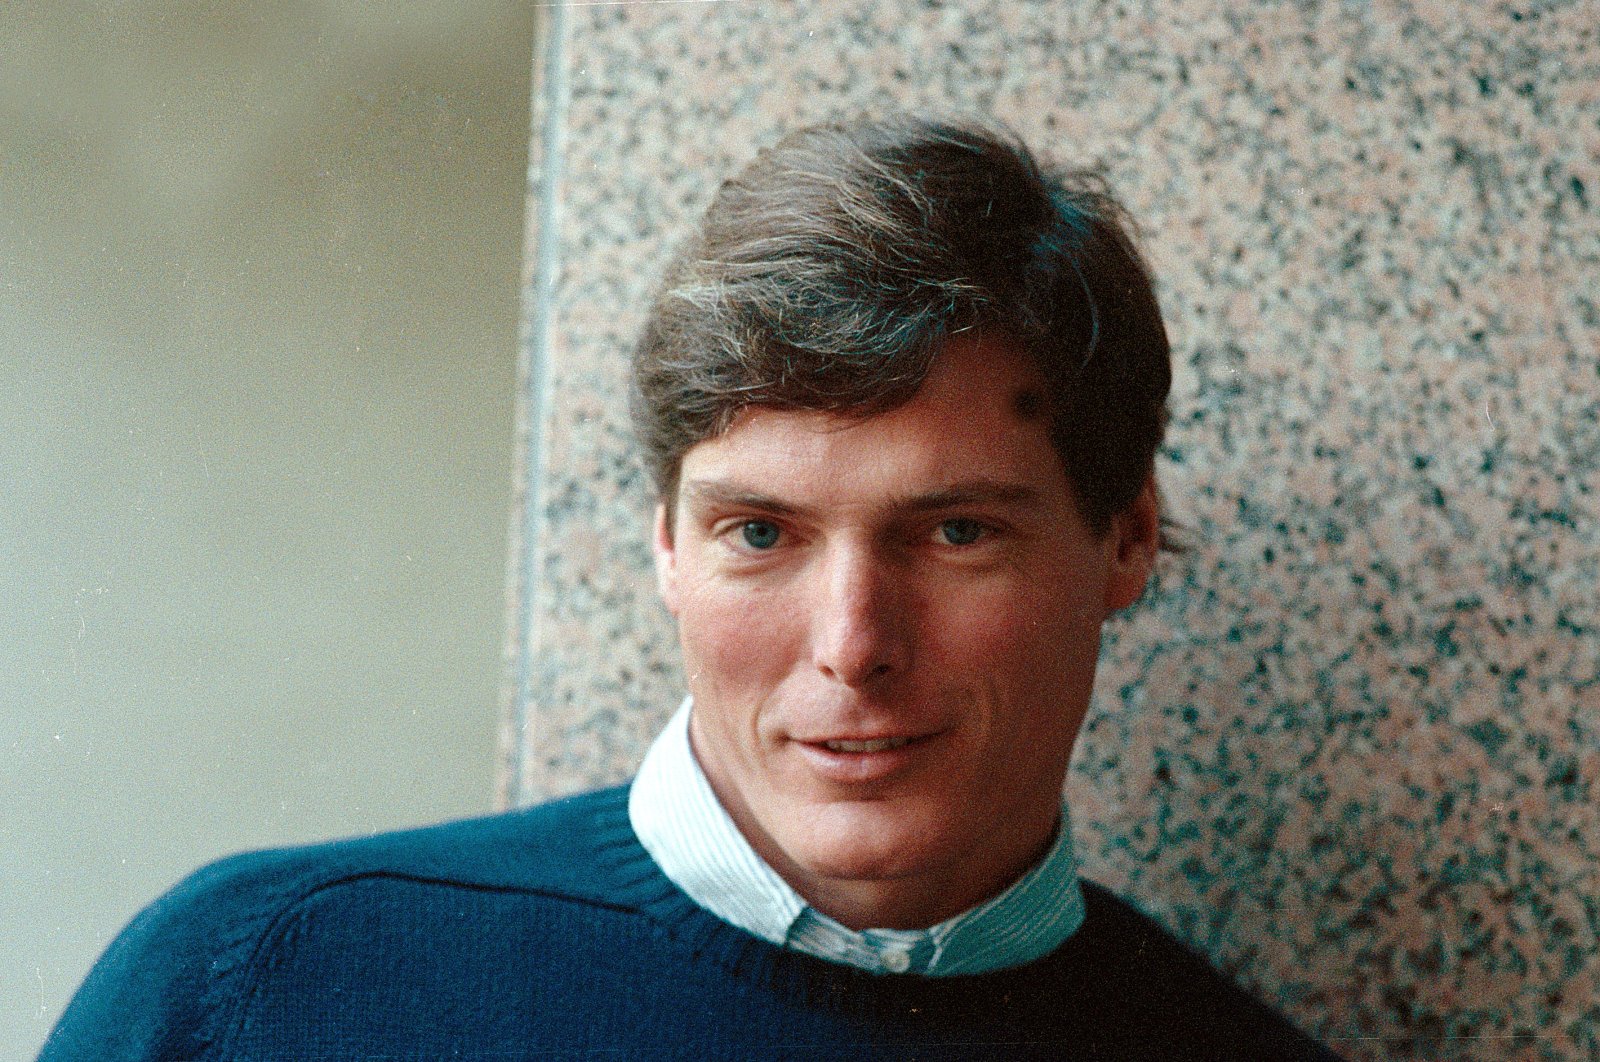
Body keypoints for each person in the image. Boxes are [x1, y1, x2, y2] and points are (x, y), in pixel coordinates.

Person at [41, 115, 1339, 1060]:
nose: (852, 645)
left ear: (1126, 536)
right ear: (666, 541)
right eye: (762, 533)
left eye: (952, 532)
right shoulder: (262, 990)